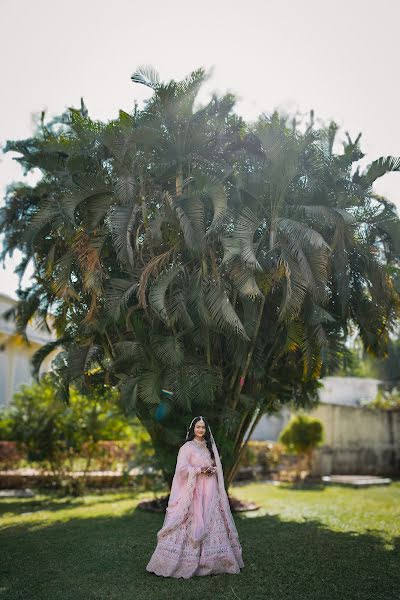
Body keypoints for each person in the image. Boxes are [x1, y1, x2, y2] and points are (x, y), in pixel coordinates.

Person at [146, 416, 245, 578]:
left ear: (206, 430)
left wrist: (210, 469)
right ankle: (185, 560)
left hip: (210, 489)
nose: (200, 430)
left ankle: (216, 560)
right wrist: (199, 470)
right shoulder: (187, 447)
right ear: (193, 428)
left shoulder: (209, 447)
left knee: (212, 518)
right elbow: (182, 469)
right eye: (198, 427)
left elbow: (212, 465)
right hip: (194, 492)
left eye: (203, 427)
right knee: (191, 521)